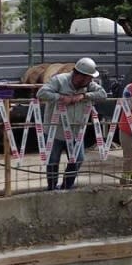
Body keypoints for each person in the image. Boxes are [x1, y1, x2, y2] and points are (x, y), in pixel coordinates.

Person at [36, 57, 107, 190]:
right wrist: (61, 97)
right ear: (80, 76)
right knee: (52, 162)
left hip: (75, 132)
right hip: (55, 131)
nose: (91, 80)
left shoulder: (88, 86)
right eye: (88, 78)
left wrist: (84, 96)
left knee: (78, 159)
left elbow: (102, 94)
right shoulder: (59, 81)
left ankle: (67, 186)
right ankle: (51, 188)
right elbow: (42, 93)